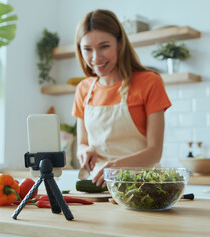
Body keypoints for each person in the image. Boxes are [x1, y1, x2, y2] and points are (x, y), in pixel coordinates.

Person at [72, 9, 171, 187]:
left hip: (143, 187)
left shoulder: (149, 82)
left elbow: (155, 152)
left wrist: (117, 167)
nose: (96, 58)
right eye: (87, 49)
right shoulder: (83, 89)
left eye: (104, 46)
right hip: (100, 187)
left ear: (119, 43)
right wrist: (85, 152)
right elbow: (81, 143)